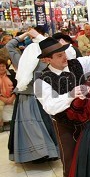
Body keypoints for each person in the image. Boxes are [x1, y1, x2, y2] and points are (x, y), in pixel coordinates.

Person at [35, 35, 90, 177]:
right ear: (47, 60)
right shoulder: (40, 80)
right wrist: (71, 95)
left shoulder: (77, 64)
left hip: (89, 122)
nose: (64, 57)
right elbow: (49, 106)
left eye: (64, 52)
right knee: (71, 161)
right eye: (59, 55)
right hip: (65, 126)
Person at [6, 31, 59, 162]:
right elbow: (55, 47)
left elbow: (9, 46)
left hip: (25, 98)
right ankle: (46, 152)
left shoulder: (21, 62)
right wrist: (38, 37)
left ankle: (35, 154)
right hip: (41, 97)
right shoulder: (44, 62)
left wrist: (23, 35)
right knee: (42, 124)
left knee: (28, 126)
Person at [0, 58, 15, 132]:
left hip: (13, 95)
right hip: (1, 97)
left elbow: (17, 86)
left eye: (3, 66)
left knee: (21, 102)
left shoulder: (11, 73)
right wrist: (3, 98)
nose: (1, 68)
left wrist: (13, 96)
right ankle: (1, 125)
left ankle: (17, 122)